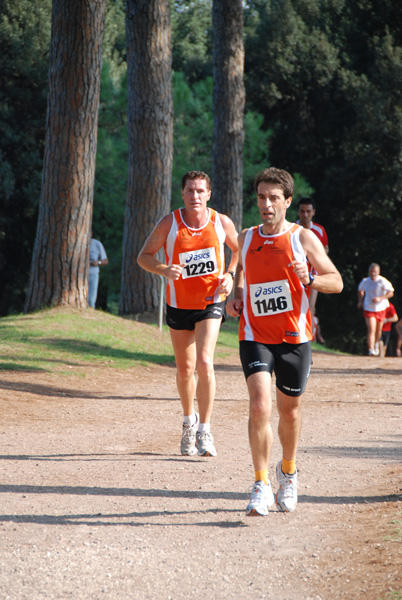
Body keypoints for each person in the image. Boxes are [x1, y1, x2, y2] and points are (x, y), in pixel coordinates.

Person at [226, 167, 343, 516]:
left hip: (295, 337)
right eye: (261, 197)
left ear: (288, 202)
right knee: (260, 404)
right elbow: (241, 273)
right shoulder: (246, 237)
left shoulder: (302, 238)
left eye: (274, 198)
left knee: (289, 412)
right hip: (254, 334)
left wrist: (311, 279)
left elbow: (335, 281)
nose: (266, 204)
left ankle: (287, 472)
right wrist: (236, 296)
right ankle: (260, 483)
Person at [137, 170, 239, 457]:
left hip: (211, 301)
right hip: (179, 304)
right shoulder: (170, 222)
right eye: (190, 191)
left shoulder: (221, 222)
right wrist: (163, 269)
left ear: (209, 194)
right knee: (185, 370)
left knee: (205, 362)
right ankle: (188, 423)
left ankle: (205, 430)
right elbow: (144, 256)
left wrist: (230, 275)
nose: (195, 196)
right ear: (182, 194)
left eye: (200, 191)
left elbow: (239, 250)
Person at [296, 198, 329, 324]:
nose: (305, 214)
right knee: (293, 305)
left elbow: (326, 249)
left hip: (313, 275)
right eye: (302, 211)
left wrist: (316, 258)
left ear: (313, 212)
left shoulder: (319, 230)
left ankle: (307, 338)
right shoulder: (291, 228)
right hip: (294, 274)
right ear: (298, 212)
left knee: (310, 307)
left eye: (308, 211)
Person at [357, 263, 394, 356]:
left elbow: (391, 293)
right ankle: (371, 349)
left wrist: (380, 298)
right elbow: (360, 290)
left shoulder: (383, 281)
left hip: (380, 308)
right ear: (369, 272)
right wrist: (360, 301)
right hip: (369, 307)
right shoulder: (365, 281)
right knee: (371, 328)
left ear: (378, 272)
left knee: (378, 330)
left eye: (375, 272)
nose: (373, 273)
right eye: (371, 271)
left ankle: (376, 344)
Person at [88, 238, 109, 309]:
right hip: (79, 275)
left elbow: (105, 261)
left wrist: (97, 262)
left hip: (93, 274)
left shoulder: (96, 244)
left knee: (91, 299)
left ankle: (90, 313)